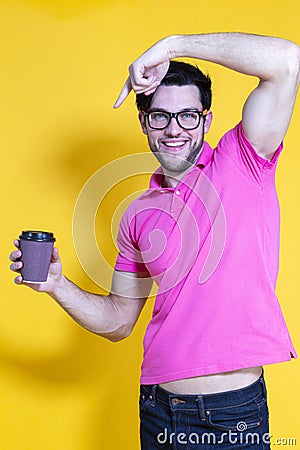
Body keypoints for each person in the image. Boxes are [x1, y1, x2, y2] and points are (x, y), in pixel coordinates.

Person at [10, 32, 299, 449]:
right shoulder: (137, 214)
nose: (174, 129)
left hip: (235, 412)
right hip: (159, 410)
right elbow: (118, 321)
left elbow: (286, 60)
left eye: (187, 115)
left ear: (206, 119)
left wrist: (172, 46)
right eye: (160, 116)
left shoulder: (244, 161)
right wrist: (56, 285)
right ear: (145, 122)